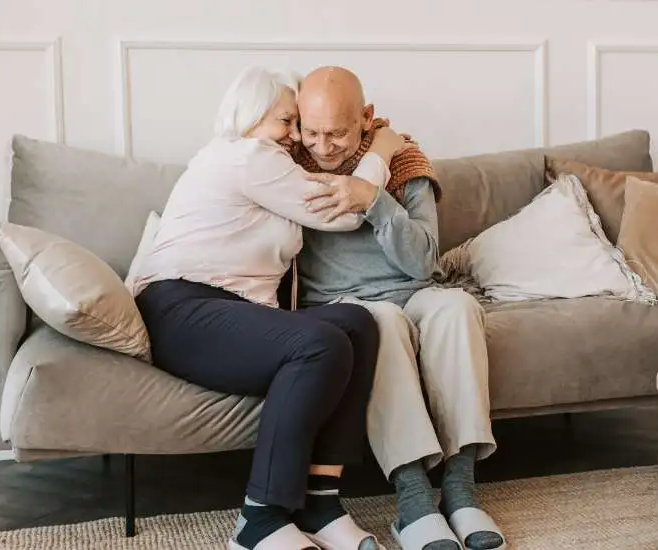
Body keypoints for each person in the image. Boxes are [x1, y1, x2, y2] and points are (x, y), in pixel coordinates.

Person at [130, 66, 408, 550]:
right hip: (182, 306)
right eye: (287, 121)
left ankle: (321, 505)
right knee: (318, 345)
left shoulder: (264, 163)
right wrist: (380, 154)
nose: (296, 135)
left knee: (357, 324)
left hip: (226, 310)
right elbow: (337, 212)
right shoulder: (249, 156)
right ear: (253, 115)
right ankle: (259, 520)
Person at [291, 66, 506, 550]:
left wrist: (375, 201)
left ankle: (460, 490)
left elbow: (424, 259)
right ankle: (412, 501)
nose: (322, 147)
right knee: (378, 321)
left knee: (456, 306)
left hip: (414, 290)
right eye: (313, 131)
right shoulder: (286, 165)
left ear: (366, 119)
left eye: (337, 134)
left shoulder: (404, 162)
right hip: (340, 305)